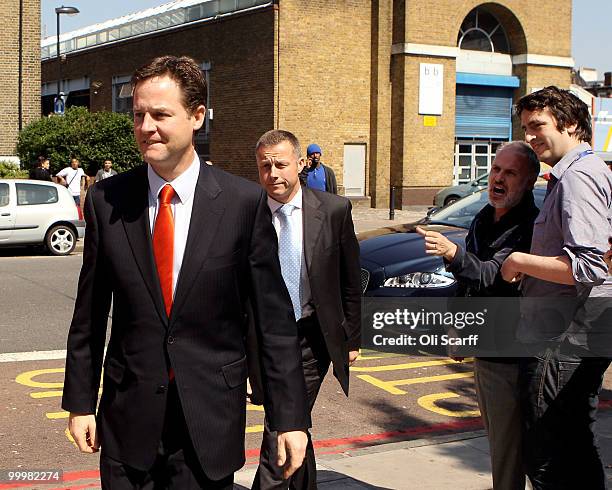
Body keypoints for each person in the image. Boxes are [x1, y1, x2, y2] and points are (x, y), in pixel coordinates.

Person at [61, 56, 309, 489]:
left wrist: (290, 418)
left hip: (208, 422)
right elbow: (90, 312)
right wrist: (81, 401)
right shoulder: (107, 200)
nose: (145, 127)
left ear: (197, 117)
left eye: (160, 115)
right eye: (138, 115)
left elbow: (273, 322)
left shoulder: (243, 204)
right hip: (128, 418)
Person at [501, 86, 612, 489]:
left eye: (537, 126)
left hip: (562, 335)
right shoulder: (582, 171)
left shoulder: (578, 177)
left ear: (569, 123)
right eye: (525, 127)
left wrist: (518, 261)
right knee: (576, 441)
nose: (529, 137)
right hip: (574, 330)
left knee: (547, 452)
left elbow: (586, 265)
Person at [417, 141, 540, 490]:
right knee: (500, 445)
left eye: (510, 173)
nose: (498, 178)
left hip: (512, 353)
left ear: (529, 181)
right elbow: (468, 282)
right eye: (496, 170)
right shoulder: (485, 216)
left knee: (510, 450)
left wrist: (453, 253)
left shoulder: (528, 226)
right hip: (485, 346)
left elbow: (492, 275)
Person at [251, 129, 361, 489]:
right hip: (263, 339)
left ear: (300, 163)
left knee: (282, 424)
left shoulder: (332, 210)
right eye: (265, 167)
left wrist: (352, 338)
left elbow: (349, 279)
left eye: (281, 165)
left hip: (312, 336)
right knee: (291, 422)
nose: (273, 174)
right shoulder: (247, 213)